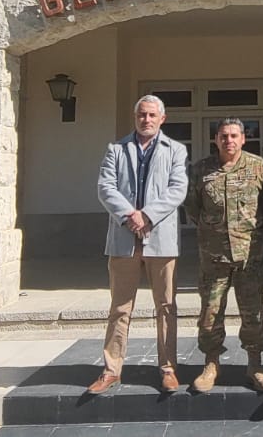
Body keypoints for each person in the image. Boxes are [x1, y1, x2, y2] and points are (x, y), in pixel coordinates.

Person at [88, 95, 188, 395]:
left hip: (161, 240)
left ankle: (168, 368)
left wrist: (147, 215)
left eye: (152, 115)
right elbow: (105, 187)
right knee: (119, 307)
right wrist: (129, 215)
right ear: (136, 118)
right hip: (124, 240)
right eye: (142, 115)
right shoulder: (116, 149)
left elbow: (177, 189)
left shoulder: (176, 150)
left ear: (162, 119)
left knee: (166, 306)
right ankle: (111, 369)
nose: (146, 120)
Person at [183, 118, 263, 393]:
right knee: (210, 313)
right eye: (223, 136)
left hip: (249, 257)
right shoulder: (201, 170)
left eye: (234, 135)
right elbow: (192, 208)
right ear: (216, 139)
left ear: (244, 139)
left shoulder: (258, 166)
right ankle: (211, 364)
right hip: (214, 257)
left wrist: (252, 232)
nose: (229, 140)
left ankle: (255, 365)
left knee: (253, 313)